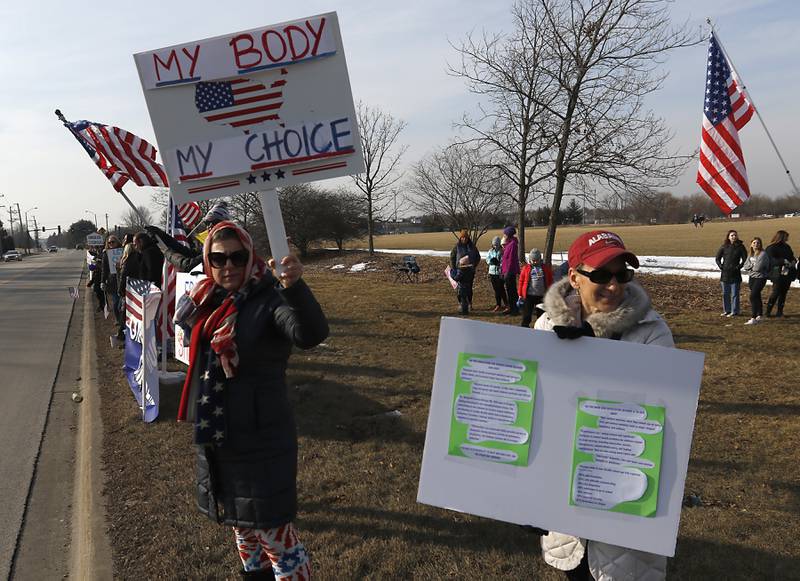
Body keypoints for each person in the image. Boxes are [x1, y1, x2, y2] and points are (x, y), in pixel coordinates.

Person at [174, 221, 328, 579]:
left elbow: (309, 333)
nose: (228, 266)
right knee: (242, 530)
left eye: (238, 257)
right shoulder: (206, 299)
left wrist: (294, 287)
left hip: (261, 440)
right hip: (219, 435)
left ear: (250, 257)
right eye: (218, 258)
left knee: (275, 537)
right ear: (208, 261)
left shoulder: (270, 297)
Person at [534, 230, 673, 580]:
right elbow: (536, 412)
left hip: (625, 485)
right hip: (565, 495)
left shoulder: (651, 332)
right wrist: (526, 495)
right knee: (576, 568)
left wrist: (594, 353)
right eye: (600, 275)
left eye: (622, 274)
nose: (613, 285)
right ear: (575, 277)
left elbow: (663, 414)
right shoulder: (546, 326)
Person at [146, 201, 232, 273]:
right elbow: (189, 253)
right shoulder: (212, 244)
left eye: (213, 222)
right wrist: (163, 236)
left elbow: (187, 265)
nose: (209, 227)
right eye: (206, 223)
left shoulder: (224, 245)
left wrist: (166, 251)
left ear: (224, 224)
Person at [715, 229, 747, 317]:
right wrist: (721, 266)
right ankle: (727, 310)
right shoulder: (724, 246)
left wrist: (738, 267)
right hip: (725, 274)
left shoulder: (741, 247)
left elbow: (745, 259)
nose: (734, 237)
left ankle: (735, 311)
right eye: (732, 235)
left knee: (735, 294)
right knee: (725, 293)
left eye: (735, 235)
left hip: (735, 274)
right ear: (728, 237)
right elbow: (717, 258)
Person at [517, 249, 552, 328]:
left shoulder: (545, 269)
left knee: (542, 314)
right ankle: (525, 326)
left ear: (540, 259)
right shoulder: (526, 268)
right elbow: (521, 281)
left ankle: (542, 327)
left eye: (537, 260)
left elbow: (550, 280)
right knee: (527, 314)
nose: (535, 262)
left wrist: (550, 292)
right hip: (529, 296)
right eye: (533, 260)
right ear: (530, 260)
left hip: (541, 296)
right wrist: (520, 294)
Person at [765, 229, 796, 318]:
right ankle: (768, 312)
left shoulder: (787, 247)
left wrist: (793, 261)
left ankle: (780, 312)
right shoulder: (771, 247)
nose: (787, 239)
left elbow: (791, 256)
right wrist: (782, 261)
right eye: (786, 237)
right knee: (776, 292)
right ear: (781, 237)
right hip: (776, 272)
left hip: (787, 272)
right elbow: (770, 259)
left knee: (784, 292)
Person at [449, 229, 481, 315]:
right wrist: (454, 268)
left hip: (470, 271)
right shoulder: (457, 247)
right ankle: (461, 303)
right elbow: (452, 257)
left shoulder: (472, 247)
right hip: (459, 271)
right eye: (462, 237)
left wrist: (474, 265)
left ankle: (470, 303)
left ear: (468, 238)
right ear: (460, 238)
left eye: (465, 238)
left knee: (469, 288)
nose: (464, 239)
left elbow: (478, 257)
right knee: (460, 289)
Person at [741, 237, 769, 325]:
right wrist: (751, 266)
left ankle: (753, 318)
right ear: (751, 244)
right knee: (757, 296)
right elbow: (745, 265)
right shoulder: (751, 254)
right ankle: (760, 314)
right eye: (754, 243)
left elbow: (758, 268)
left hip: (760, 278)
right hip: (752, 278)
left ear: (760, 244)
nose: (756, 244)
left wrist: (751, 266)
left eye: (758, 243)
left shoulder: (763, 254)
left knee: (752, 296)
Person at [100, 235, 124, 328]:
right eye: (109, 242)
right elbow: (104, 269)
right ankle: (118, 319)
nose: (111, 244)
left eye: (113, 242)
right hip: (112, 281)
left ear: (117, 242)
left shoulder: (123, 251)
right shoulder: (106, 254)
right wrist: (102, 281)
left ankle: (123, 320)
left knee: (121, 302)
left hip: (122, 279)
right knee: (115, 302)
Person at [501, 226, 520, 315]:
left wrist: (507, 272)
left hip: (510, 271)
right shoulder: (508, 244)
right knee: (509, 290)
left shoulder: (512, 244)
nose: (503, 235)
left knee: (511, 291)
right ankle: (512, 307)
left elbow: (511, 259)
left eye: (505, 234)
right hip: (506, 270)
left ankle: (514, 309)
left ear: (508, 235)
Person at [486, 236, 506, 312]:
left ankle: (506, 304)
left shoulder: (502, 251)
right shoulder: (490, 251)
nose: (495, 246)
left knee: (501, 289)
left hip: (499, 273)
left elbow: (503, 261)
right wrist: (491, 262)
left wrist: (499, 263)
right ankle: (498, 304)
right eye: (494, 245)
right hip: (492, 272)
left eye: (497, 245)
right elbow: (487, 259)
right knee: (496, 290)